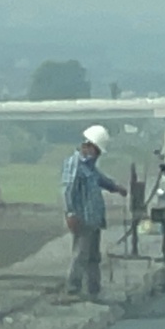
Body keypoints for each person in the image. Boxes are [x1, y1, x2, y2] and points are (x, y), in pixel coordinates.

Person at [61, 126, 126, 301]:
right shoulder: (74, 164)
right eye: (96, 151)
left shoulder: (90, 167)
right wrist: (71, 214)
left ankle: (94, 290)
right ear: (88, 146)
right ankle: (73, 289)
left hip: (94, 219)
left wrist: (116, 187)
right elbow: (68, 190)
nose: (97, 155)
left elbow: (100, 179)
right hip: (82, 218)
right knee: (81, 255)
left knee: (94, 257)